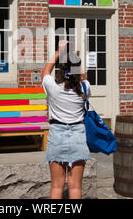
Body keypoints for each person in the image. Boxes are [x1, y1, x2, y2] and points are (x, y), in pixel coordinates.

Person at [41, 40, 92, 199]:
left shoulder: (52, 86)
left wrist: (58, 52)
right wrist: (74, 58)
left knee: (57, 185)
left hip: (57, 134)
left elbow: (45, 72)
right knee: (75, 187)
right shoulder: (85, 87)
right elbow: (82, 78)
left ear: (61, 68)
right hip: (78, 135)